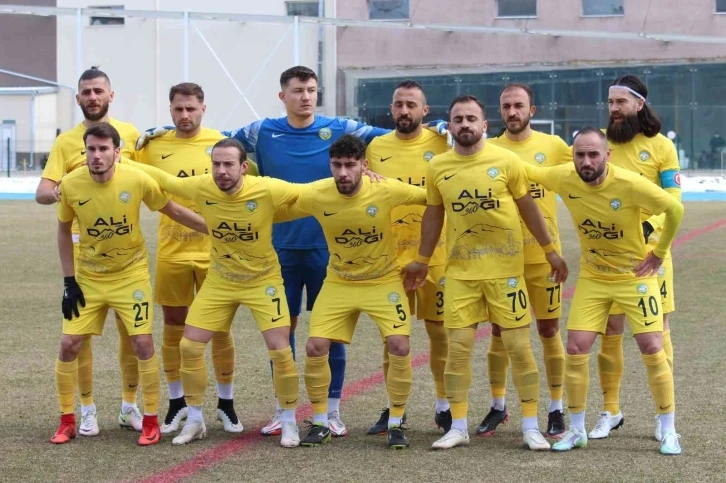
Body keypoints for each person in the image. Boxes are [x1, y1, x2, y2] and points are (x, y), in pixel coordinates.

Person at [135, 66, 396, 437]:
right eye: (297, 90)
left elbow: (393, 138)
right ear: (282, 96)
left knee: (330, 334)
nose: (305, 96)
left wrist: (433, 128)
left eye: (311, 90)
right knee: (283, 336)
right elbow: (218, 141)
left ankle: (332, 411)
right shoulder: (262, 130)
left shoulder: (340, 127)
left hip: (327, 248)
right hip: (280, 249)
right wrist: (169, 131)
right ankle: (282, 411)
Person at [404, 95, 568, 451]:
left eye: (471, 118)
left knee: (519, 348)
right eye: (458, 119)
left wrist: (550, 251)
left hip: (505, 273)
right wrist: (422, 259)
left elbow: (529, 209)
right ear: (449, 126)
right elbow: (434, 215)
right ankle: (458, 427)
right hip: (461, 275)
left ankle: (530, 426)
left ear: (484, 125)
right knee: (457, 350)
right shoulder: (438, 167)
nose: (464, 124)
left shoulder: (507, 161)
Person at [123, 138, 302, 448]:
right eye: (216, 164)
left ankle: (289, 421)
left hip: (263, 281)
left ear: (243, 167)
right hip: (220, 280)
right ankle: (195, 420)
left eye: (228, 164)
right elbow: (165, 181)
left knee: (280, 349)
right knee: (189, 346)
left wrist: (358, 179)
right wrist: (120, 161)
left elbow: (311, 193)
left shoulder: (266, 188)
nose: (221, 171)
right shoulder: (203, 186)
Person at [522, 127, 683, 455]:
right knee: (576, 347)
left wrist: (659, 252)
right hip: (594, 279)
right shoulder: (564, 177)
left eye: (593, 154)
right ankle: (576, 430)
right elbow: (524, 169)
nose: (586, 161)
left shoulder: (629, 183)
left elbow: (674, 209)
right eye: (580, 154)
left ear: (607, 155)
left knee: (653, 346)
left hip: (633, 278)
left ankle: (669, 430)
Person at [51, 123, 207, 446]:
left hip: (130, 276)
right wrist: (69, 281)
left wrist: (215, 229)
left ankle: (149, 420)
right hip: (89, 278)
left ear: (117, 152)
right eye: (91, 149)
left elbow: (173, 210)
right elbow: (64, 231)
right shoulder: (71, 185)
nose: (97, 155)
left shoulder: (137, 179)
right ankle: (67, 420)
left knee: (142, 344)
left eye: (103, 149)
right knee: (68, 344)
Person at [274, 134, 426, 449]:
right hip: (339, 282)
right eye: (337, 165)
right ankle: (320, 422)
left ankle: (396, 423)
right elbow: (277, 206)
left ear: (364, 165)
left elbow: (431, 198)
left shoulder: (386, 189)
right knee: (315, 346)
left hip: (383, 281)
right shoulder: (318, 193)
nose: (343, 172)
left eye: (350, 165)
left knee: (399, 345)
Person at [136, 82, 258, 435]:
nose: (185, 115)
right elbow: (123, 165)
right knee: (173, 325)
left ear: (203, 108)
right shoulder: (154, 146)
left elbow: (250, 182)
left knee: (220, 328)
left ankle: (226, 403)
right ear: (170, 110)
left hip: (216, 254)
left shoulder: (219, 144)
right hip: (172, 251)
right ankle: (177, 402)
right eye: (178, 109)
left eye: (191, 108)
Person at [35, 67, 143, 437]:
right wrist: (65, 188)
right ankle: (86, 410)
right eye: (86, 92)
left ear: (111, 95)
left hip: (126, 254)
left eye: (98, 91)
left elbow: (150, 178)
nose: (92, 97)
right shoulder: (66, 142)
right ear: (78, 98)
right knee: (78, 339)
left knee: (132, 336)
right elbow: (43, 191)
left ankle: (130, 406)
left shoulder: (130, 134)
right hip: (85, 256)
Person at [590, 75, 682, 442]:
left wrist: (648, 228)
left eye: (620, 102)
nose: (613, 109)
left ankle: (664, 416)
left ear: (639, 104)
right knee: (610, 331)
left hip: (651, 256)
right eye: (610, 102)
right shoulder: (598, 142)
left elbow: (674, 199)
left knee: (657, 333)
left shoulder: (661, 146)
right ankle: (610, 411)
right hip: (609, 256)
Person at [481, 83, 572, 439]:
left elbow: (585, 174)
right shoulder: (489, 150)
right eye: (506, 106)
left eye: (519, 105)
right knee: (500, 332)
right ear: (499, 111)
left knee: (548, 330)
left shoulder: (555, 147)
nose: (512, 112)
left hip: (543, 260)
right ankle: (498, 405)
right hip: (503, 260)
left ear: (532, 110)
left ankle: (556, 407)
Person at [364, 80, 452, 435]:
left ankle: (444, 406)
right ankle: (394, 408)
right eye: (398, 104)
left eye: (411, 105)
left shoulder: (442, 142)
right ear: (391, 108)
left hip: (436, 256)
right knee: (393, 338)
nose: (404, 110)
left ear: (425, 110)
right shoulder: (376, 147)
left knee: (440, 334)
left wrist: (447, 128)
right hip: (391, 260)